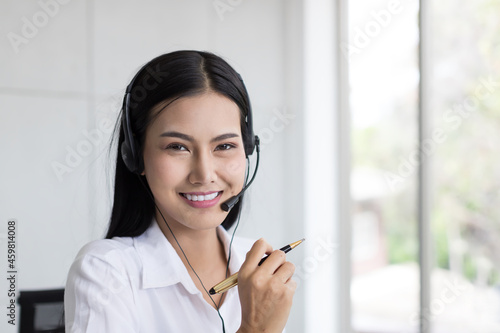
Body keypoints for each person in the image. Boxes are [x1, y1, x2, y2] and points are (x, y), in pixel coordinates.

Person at [64, 50, 297, 333]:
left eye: (224, 146)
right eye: (178, 147)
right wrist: (255, 328)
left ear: (247, 149)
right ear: (135, 157)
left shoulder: (257, 265)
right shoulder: (106, 271)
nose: (204, 175)